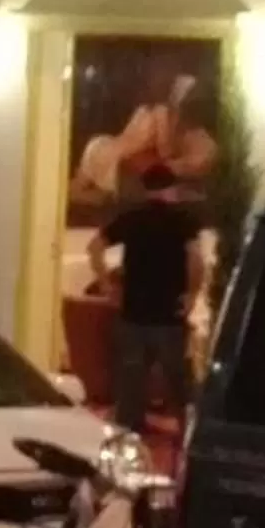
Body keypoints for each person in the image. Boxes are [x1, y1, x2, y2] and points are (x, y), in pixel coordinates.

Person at [94, 164, 200, 431]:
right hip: (169, 316)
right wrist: (191, 295)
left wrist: (107, 285)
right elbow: (196, 261)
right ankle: (189, 430)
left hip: (133, 314)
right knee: (178, 381)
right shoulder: (184, 220)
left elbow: (94, 247)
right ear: (171, 189)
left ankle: (129, 431)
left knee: (131, 381)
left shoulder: (131, 218)